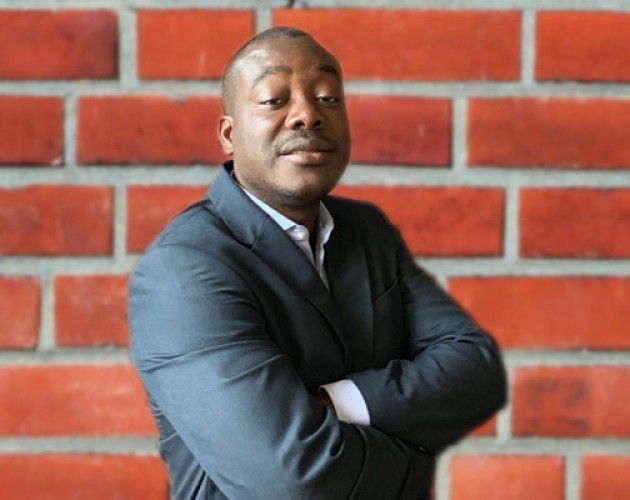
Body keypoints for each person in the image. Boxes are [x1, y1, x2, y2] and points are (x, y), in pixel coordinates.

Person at [128, 27, 506, 500]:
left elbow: (477, 370)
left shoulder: (367, 232)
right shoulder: (183, 271)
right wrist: (416, 465)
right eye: (273, 100)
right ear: (229, 134)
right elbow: (291, 479)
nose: (308, 114)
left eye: (328, 97)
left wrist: (333, 403)